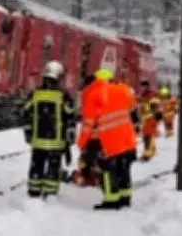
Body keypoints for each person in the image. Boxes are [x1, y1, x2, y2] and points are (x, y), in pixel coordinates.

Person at [77, 69, 137, 210]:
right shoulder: (123, 90)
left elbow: (88, 123)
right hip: (126, 138)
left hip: (109, 140)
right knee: (124, 169)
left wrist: (81, 143)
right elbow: (132, 108)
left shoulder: (95, 94)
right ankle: (125, 197)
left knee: (108, 170)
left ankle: (111, 200)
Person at [22, 61, 76, 198]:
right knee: (53, 167)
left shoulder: (35, 94)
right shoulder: (63, 95)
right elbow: (70, 115)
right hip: (56, 141)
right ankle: (50, 192)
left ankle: (34, 190)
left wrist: (28, 131)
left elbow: (25, 112)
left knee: (36, 165)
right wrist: (70, 134)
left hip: (38, 140)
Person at [136, 80, 162, 161]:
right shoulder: (143, 95)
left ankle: (146, 155)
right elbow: (141, 107)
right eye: (142, 87)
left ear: (147, 86)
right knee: (148, 136)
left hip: (151, 118)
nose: (142, 88)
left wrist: (157, 114)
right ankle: (152, 150)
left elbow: (156, 106)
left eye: (144, 86)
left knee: (148, 137)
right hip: (146, 119)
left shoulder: (151, 94)